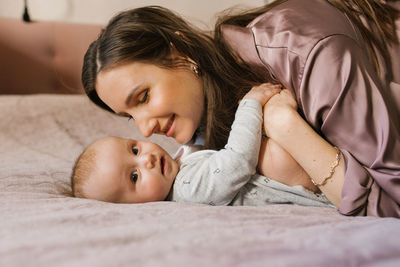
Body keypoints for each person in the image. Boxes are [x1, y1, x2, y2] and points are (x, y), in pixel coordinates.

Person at [81, 1, 400, 217]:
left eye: (143, 97)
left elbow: (390, 202)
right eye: (129, 117)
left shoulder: (311, 56)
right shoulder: (209, 118)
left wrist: (285, 125)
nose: (145, 129)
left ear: (181, 53)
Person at [71, 84, 332, 208]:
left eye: (135, 150)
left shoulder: (178, 166)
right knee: (272, 154)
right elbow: (236, 162)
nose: (146, 161)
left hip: (308, 168)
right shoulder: (187, 191)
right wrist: (249, 105)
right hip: (307, 189)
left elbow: (196, 147)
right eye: (135, 176)